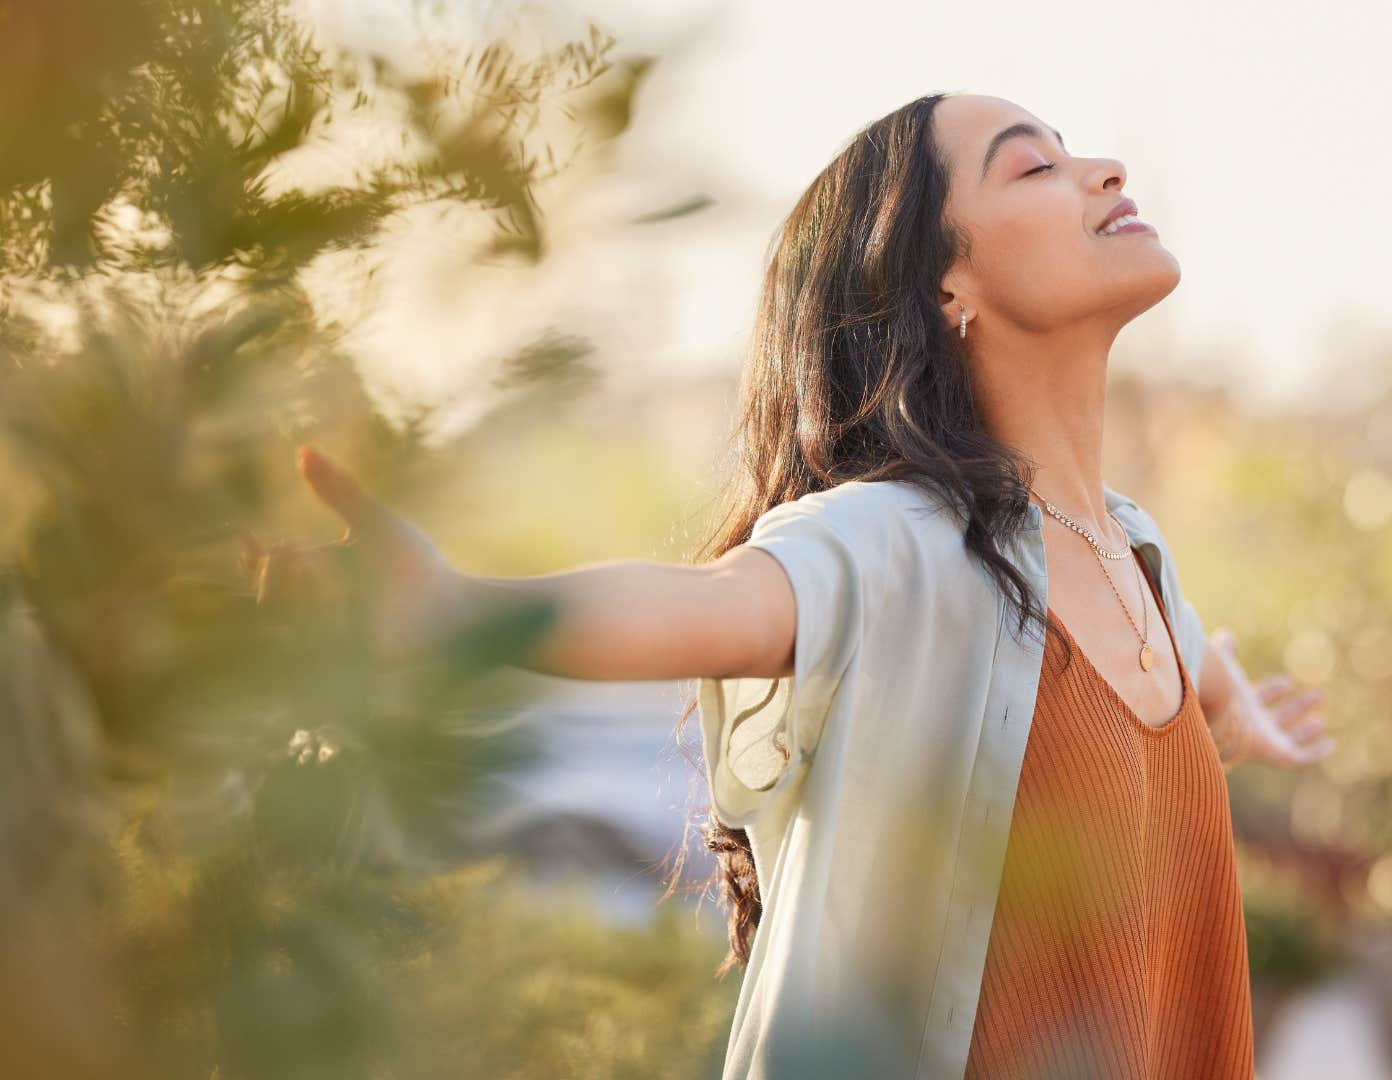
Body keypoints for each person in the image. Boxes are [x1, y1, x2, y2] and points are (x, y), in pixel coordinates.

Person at [291, 91, 1333, 1079]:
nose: (1104, 171)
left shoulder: (1137, 557)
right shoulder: (899, 542)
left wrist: (1228, 705)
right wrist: (460, 611)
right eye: (1036, 166)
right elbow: (716, 608)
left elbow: (1172, 672)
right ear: (945, 288)